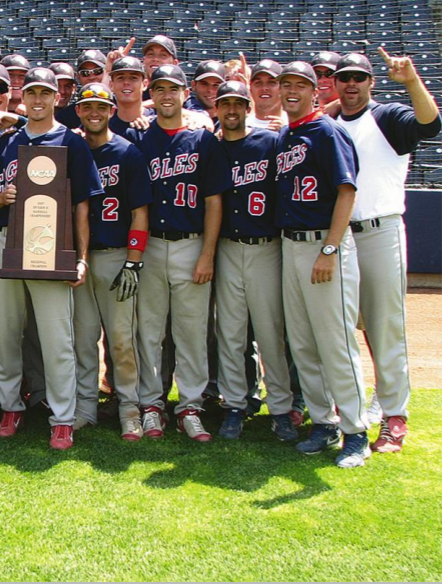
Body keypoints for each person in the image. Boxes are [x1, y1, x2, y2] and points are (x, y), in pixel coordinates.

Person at [0, 68, 104, 450]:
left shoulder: (72, 142)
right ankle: (10, 407)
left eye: (45, 94)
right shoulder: (5, 142)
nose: (37, 100)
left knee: (56, 337)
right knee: (6, 333)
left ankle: (63, 417)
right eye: (31, 93)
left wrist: (81, 258)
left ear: (55, 99)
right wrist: (2, 199)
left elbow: (82, 205)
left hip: (53, 246)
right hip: (7, 242)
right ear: (23, 98)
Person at [332, 50, 441, 453]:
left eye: (359, 77)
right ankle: (349, 410)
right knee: (342, 328)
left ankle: (395, 416)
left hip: (380, 230)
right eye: (345, 78)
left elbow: (431, 124)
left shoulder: (388, 116)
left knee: (385, 328)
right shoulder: (331, 123)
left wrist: (411, 80)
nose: (351, 84)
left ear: (371, 82)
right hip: (339, 236)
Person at [274, 61, 367, 468]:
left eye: (300, 85)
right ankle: (323, 422)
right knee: (304, 342)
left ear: (317, 91)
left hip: (322, 245)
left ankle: (356, 431)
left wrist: (330, 249)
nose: (291, 91)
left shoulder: (328, 131)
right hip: (290, 246)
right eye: (285, 85)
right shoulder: (284, 135)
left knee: (336, 343)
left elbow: (346, 192)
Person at [134, 65, 230, 442]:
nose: (166, 96)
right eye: (159, 89)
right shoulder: (141, 139)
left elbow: (214, 202)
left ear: (185, 92)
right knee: (150, 332)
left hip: (191, 244)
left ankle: (190, 406)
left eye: (173, 89)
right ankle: (152, 405)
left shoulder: (203, 140)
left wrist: (207, 253)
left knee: (191, 333)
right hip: (153, 244)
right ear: (151, 94)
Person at [212, 81, 298, 442]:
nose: (231, 110)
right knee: (230, 333)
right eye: (224, 104)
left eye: (237, 103)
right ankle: (235, 403)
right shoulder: (210, 146)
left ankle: (280, 407)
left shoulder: (270, 142)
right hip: (227, 248)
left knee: (269, 332)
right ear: (216, 109)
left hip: (266, 247)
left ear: (248, 107)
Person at [71, 83, 152, 439]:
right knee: (83, 337)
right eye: (88, 107)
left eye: (101, 108)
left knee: (121, 338)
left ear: (111, 111)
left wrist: (134, 260)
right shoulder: (70, 151)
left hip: (116, 254)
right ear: (78, 111)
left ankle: (128, 406)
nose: (94, 113)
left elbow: (139, 212)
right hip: (76, 259)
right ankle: (86, 406)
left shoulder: (128, 152)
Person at [247, 60, 288, 131]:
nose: (264, 88)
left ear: (282, 88)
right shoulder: (241, 127)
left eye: (271, 82)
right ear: (250, 89)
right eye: (258, 83)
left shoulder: (294, 126)